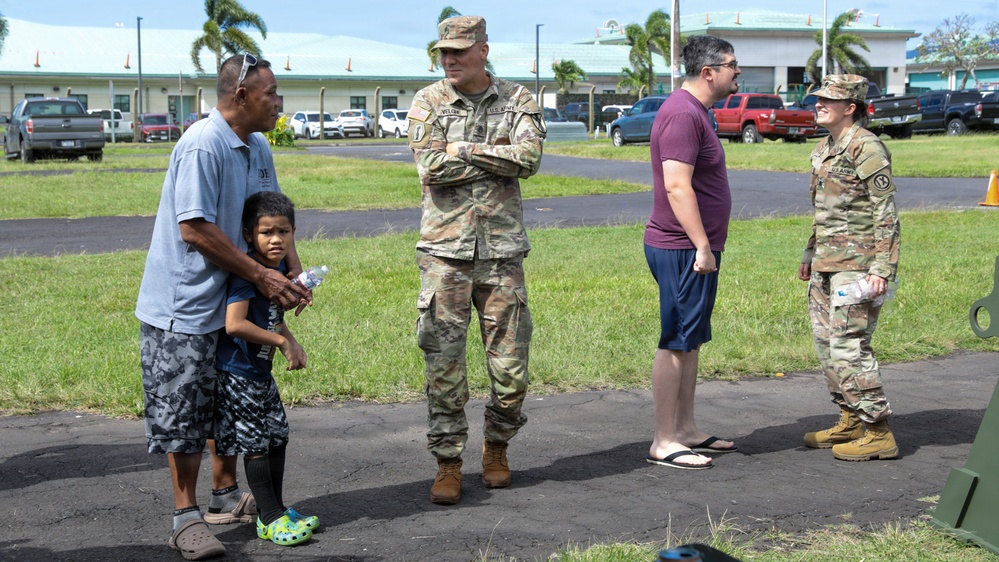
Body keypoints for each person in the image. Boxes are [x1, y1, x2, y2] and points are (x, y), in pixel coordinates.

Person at [135, 53, 310, 560]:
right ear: (241, 96)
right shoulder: (202, 145)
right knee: (185, 414)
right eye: (271, 93)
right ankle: (184, 518)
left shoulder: (256, 146)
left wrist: (291, 276)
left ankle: (225, 497)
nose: (278, 102)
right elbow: (194, 229)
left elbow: (271, 215)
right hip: (184, 307)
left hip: (236, 300)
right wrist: (261, 276)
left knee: (231, 406)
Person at [408, 15, 546, 505]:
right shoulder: (428, 100)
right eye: (443, 52)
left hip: (502, 255)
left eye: (458, 52)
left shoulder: (517, 99)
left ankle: (497, 447)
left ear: (482, 51)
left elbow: (529, 160)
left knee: (511, 370)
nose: (448, 60)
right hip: (444, 256)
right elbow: (430, 166)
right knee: (444, 367)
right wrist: (494, 153)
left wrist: (462, 146)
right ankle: (448, 462)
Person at [644, 36, 741, 471]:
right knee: (677, 341)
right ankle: (664, 440)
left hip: (696, 247)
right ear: (708, 73)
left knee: (693, 338)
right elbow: (676, 185)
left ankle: (685, 429)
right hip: (683, 247)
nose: (737, 72)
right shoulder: (683, 114)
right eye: (732, 65)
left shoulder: (695, 112)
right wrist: (702, 245)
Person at [798, 74, 901, 461]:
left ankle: (878, 431)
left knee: (848, 347)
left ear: (851, 107)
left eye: (828, 100)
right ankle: (852, 419)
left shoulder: (866, 147)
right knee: (826, 346)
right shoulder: (826, 148)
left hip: (858, 268)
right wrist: (810, 256)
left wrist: (882, 269)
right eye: (817, 99)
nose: (818, 105)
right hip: (828, 264)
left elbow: (886, 214)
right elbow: (823, 211)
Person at [214, 191, 320, 547]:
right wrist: (280, 343)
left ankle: (273, 510)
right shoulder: (248, 275)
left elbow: (273, 318)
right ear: (249, 235)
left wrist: (290, 338)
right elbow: (234, 325)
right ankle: (269, 517)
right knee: (256, 442)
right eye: (267, 233)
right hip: (239, 372)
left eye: (284, 232)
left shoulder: (275, 271)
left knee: (278, 435)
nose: (276, 239)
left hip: (259, 373)